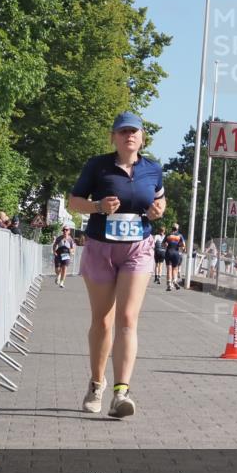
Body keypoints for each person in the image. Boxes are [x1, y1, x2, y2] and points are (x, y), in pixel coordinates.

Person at [69, 112, 165, 418]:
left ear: (142, 137)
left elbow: (160, 200)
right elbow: (74, 202)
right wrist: (98, 206)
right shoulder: (98, 166)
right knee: (103, 320)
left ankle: (121, 392)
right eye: (123, 132)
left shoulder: (153, 169)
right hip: (100, 247)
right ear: (114, 137)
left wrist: (158, 209)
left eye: (134, 131)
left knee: (126, 318)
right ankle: (96, 384)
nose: (129, 136)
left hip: (138, 248)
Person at [163, 224, 186, 291]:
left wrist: (166, 245)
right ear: (177, 229)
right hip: (176, 253)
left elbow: (163, 244)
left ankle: (169, 284)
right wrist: (182, 248)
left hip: (168, 252)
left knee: (169, 269)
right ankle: (175, 281)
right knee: (175, 269)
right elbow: (183, 246)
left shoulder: (168, 235)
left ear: (172, 228)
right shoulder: (180, 235)